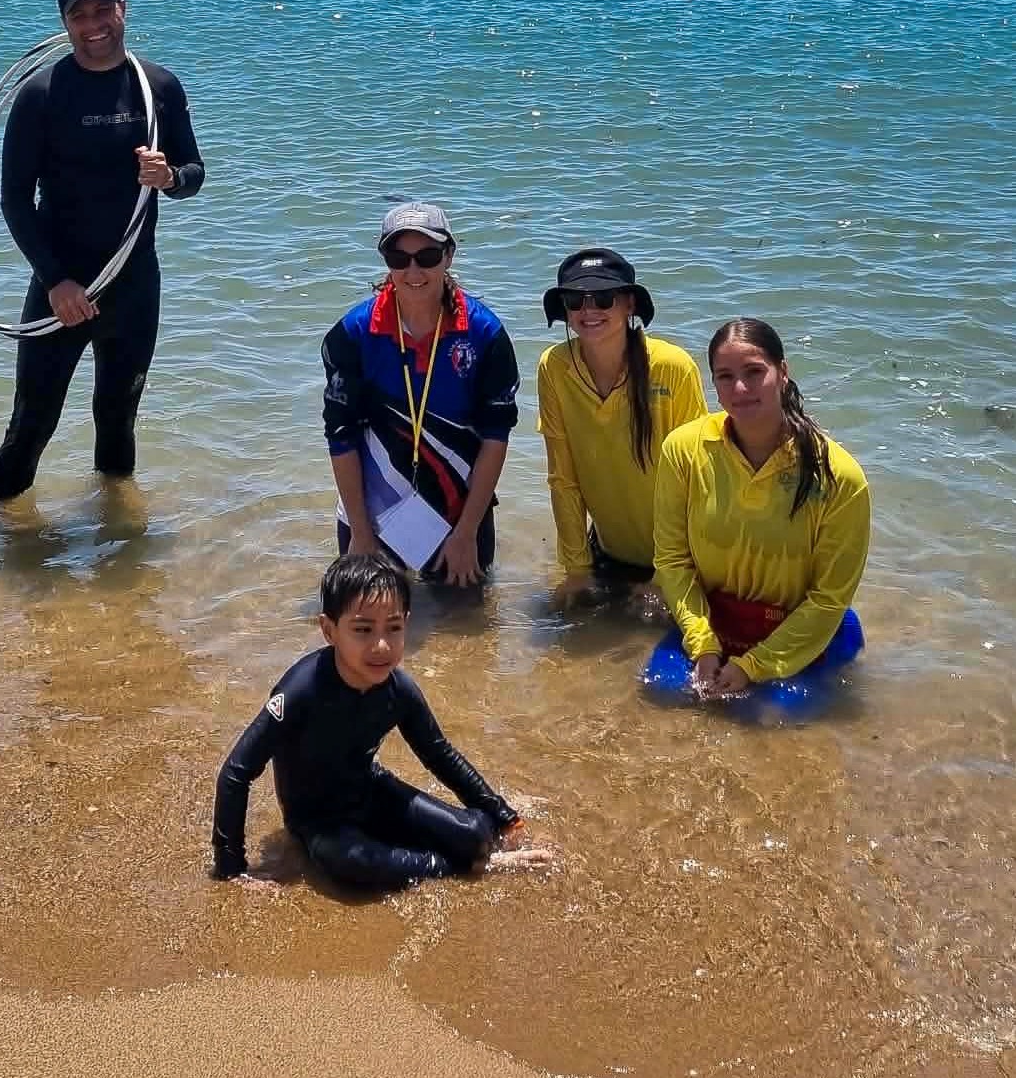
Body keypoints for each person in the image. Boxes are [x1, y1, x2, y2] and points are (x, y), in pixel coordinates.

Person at [0, 0, 205, 500]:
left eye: (102, 9)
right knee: (30, 424)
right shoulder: (41, 94)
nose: (93, 23)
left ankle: (117, 540)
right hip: (61, 288)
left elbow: (194, 172)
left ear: (122, 9)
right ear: (64, 24)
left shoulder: (159, 86)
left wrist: (169, 177)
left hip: (133, 287)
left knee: (118, 419)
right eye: (78, 14)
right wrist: (57, 282)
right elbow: (14, 201)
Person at [211, 554, 543, 890]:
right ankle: (468, 866)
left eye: (394, 627)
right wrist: (231, 867)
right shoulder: (300, 691)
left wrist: (505, 817)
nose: (381, 645)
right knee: (351, 864)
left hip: (372, 792)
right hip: (319, 822)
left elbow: (440, 755)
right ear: (329, 630)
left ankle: (475, 855)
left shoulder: (399, 691)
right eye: (363, 629)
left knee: (473, 835)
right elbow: (236, 772)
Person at [647, 317, 870, 717]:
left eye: (754, 372)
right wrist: (704, 647)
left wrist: (754, 666)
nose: (741, 389)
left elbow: (828, 598)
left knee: (764, 718)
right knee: (662, 695)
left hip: (801, 628)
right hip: (717, 621)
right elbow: (672, 560)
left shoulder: (839, 476)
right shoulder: (683, 450)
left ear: (783, 372)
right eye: (725, 377)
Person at [321, 203, 518, 586]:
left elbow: (496, 437)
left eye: (427, 257)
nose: (413, 271)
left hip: (459, 513)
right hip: (372, 512)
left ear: (449, 255)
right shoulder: (352, 334)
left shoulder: (485, 334)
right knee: (366, 628)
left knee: (465, 631)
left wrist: (464, 534)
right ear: (386, 260)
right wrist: (361, 534)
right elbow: (340, 436)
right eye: (399, 258)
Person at [535, 247, 707, 599]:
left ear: (629, 304)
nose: (589, 310)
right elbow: (563, 478)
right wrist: (577, 569)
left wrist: (665, 576)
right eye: (576, 300)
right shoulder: (554, 367)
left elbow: (697, 484)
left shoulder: (673, 367)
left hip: (683, 561)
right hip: (608, 555)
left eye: (603, 298)